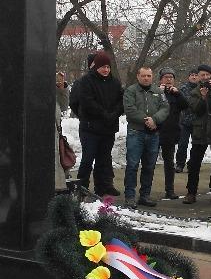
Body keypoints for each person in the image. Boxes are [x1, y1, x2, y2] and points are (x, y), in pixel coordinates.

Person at [69, 51, 123, 197]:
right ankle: (82, 188)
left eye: (108, 67)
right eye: (102, 67)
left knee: (104, 159)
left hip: (108, 128)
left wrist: (114, 114)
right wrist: (102, 114)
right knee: (87, 159)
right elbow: (84, 102)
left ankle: (102, 187)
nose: (105, 70)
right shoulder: (85, 81)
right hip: (90, 128)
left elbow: (121, 101)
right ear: (96, 67)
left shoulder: (115, 82)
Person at [122, 66, 169, 208]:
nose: (146, 78)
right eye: (143, 76)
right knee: (132, 165)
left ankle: (145, 195)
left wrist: (155, 119)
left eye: (149, 75)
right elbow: (129, 110)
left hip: (153, 134)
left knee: (149, 166)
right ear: (138, 76)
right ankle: (130, 196)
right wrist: (146, 120)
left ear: (152, 76)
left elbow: (165, 108)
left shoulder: (158, 91)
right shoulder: (131, 91)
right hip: (136, 133)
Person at [183, 64, 211, 205]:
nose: (205, 78)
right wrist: (202, 97)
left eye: (208, 75)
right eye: (202, 75)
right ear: (198, 76)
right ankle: (191, 192)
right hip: (199, 131)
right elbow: (195, 109)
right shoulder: (195, 91)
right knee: (194, 163)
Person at [156, 67, 188, 200]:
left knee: (169, 163)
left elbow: (185, 105)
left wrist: (178, 93)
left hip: (171, 133)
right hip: (155, 132)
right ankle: (145, 192)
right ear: (161, 79)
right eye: (166, 77)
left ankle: (170, 190)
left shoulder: (176, 94)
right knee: (150, 162)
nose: (168, 79)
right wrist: (159, 92)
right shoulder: (155, 92)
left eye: (171, 77)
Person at [175, 68, 198, 173]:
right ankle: (180, 164)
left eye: (196, 75)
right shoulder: (183, 88)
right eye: (192, 75)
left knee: (196, 146)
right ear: (188, 77)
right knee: (182, 144)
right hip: (184, 122)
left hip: (197, 122)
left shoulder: (201, 88)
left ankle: (192, 165)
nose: (194, 77)